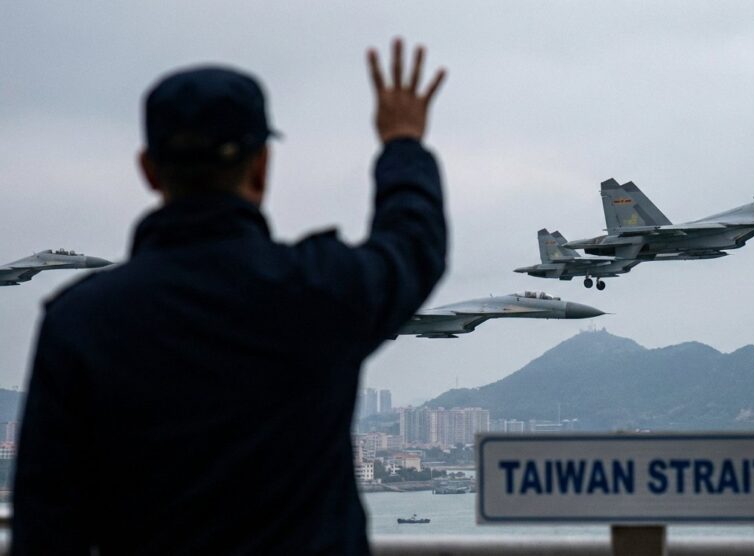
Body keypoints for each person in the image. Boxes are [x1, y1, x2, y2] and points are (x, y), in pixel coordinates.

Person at [12, 39, 446, 555]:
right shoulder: (322, 289)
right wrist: (402, 144)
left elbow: (44, 529)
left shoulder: (78, 322)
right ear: (262, 166)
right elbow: (414, 244)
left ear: (149, 170)